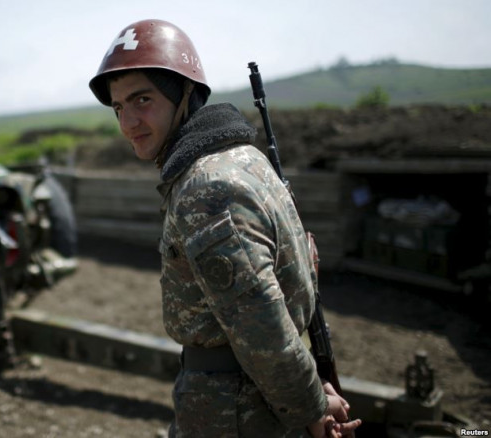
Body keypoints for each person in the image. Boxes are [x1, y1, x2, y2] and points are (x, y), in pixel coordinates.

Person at [89, 19, 362, 437]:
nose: (127, 123)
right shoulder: (246, 159)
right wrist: (310, 390)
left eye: (142, 99)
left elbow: (262, 326)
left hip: (234, 411)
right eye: (118, 108)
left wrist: (311, 406)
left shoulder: (206, 187)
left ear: (184, 93)